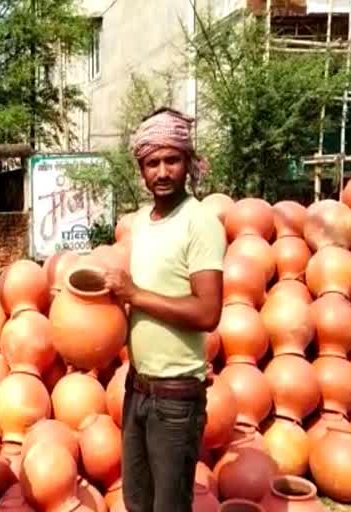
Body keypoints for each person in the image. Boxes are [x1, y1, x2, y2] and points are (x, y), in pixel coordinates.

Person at [100, 108, 226, 512]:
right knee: (137, 502)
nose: (162, 171)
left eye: (172, 159)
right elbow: (133, 291)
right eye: (152, 162)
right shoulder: (140, 222)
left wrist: (135, 294)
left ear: (188, 162)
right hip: (137, 389)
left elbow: (208, 313)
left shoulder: (200, 222)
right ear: (141, 168)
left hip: (176, 399)